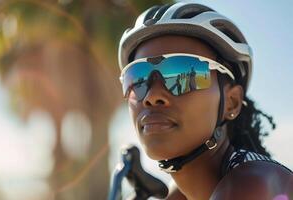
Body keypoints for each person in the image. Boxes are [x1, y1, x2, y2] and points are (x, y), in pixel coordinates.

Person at [117, 2, 293, 200]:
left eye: (183, 74)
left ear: (231, 102)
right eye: (138, 78)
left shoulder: (250, 184)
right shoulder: (180, 193)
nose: (151, 96)